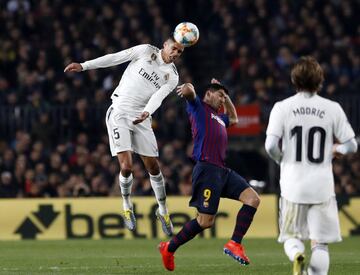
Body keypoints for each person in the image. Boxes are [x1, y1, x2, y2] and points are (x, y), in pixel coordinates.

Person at [64, 38, 185, 236]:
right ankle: (127, 206)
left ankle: (163, 211)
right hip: (119, 112)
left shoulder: (171, 76)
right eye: (174, 49)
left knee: (153, 167)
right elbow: (116, 58)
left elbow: (158, 97)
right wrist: (85, 66)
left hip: (142, 117)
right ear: (165, 44)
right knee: (126, 166)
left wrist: (147, 112)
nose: (175, 54)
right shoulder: (145, 51)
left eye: (179, 52)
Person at [265, 56, 358, 275]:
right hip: (321, 186)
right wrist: (337, 150)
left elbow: (270, 145)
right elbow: (352, 145)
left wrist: (282, 160)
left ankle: (297, 253)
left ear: (294, 80)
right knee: (321, 243)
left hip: (292, 185)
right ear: (320, 80)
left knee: (291, 237)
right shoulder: (332, 108)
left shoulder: (282, 107)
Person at [158, 80, 260, 271]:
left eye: (224, 97)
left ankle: (235, 244)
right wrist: (187, 88)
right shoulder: (199, 108)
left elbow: (235, 118)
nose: (223, 100)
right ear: (208, 94)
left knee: (253, 199)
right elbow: (189, 91)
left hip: (222, 171)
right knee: (205, 221)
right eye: (220, 95)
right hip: (207, 169)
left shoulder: (220, 118)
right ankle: (169, 248)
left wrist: (227, 96)